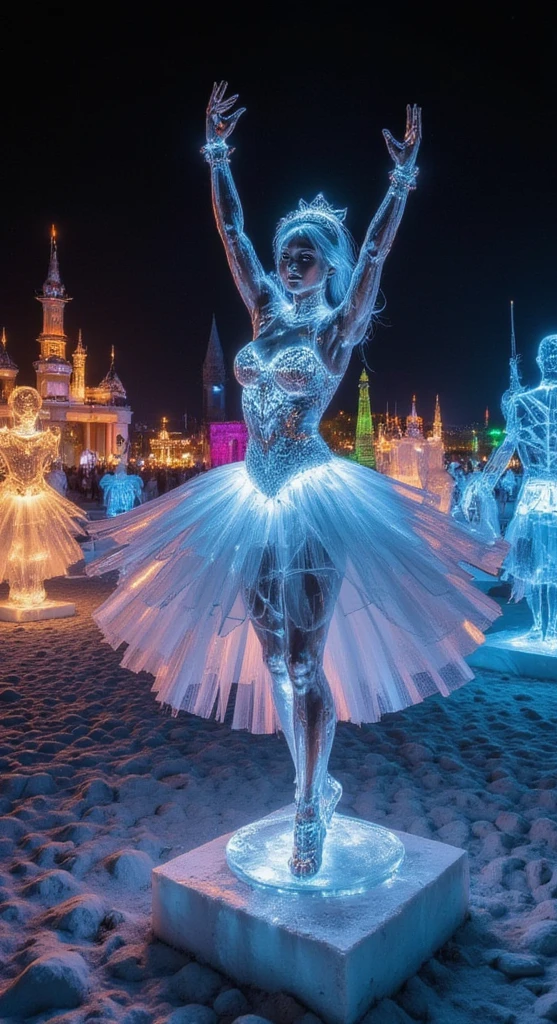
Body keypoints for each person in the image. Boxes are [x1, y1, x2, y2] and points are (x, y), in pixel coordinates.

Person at [87, 82, 503, 879]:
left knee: (306, 660)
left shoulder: (336, 327)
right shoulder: (263, 314)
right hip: (249, 497)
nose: (293, 257)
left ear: (329, 263)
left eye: (309, 249)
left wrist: (400, 182)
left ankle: (311, 806)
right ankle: (309, 777)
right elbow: (232, 231)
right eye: (291, 249)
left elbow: (378, 252)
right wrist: (216, 153)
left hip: (313, 495)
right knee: (272, 656)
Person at [462, 334, 557, 645]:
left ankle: (541, 629)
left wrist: (484, 480)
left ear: (539, 361)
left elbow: (506, 449)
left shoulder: (521, 403)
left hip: (534, 497)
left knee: (532, 567)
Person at [0, 387, 87, 607]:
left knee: (35, 544)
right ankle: (20, 587)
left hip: (34, 497)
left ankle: (33, 587)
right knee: (16, 544)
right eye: (22, 406)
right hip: (17, 497)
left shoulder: (48, 439)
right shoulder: (5, 438)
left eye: (31, 407)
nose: (27, 411)